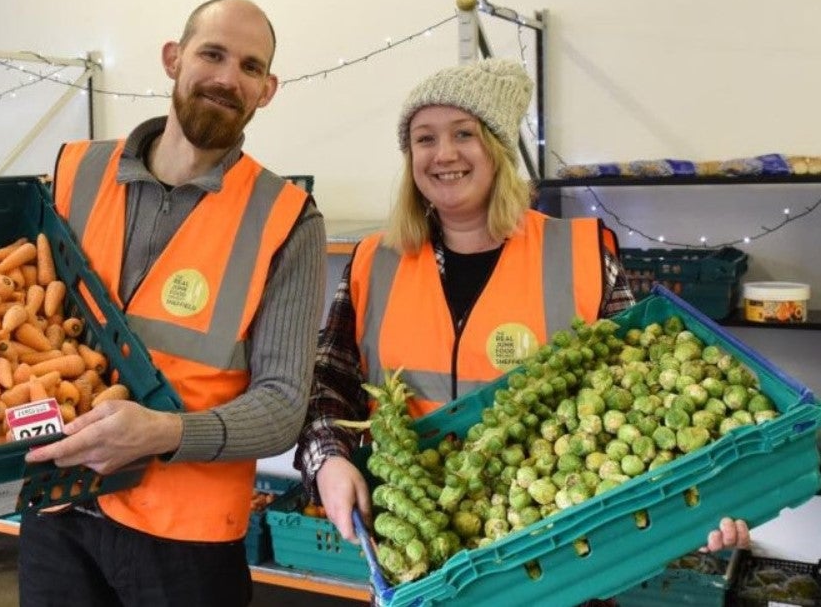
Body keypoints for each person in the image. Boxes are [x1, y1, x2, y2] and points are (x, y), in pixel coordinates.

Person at [0, 0, 327, 607]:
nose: (227, 77)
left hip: (184, 535)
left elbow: (282, 408)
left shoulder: (286, 220)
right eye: (212, 54)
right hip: (55, 504)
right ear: (173, 59)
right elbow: (5, 308)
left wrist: (163, 431)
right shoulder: (75, 170)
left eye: (250, 67)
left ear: (267, 90)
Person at [292, 58, 750, 570]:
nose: (443, 154)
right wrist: (328, 460)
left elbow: (647, 391)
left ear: (496, 149)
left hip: (557, 556)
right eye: (424, 138)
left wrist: (709, 497)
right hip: (419, 558)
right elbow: (326, 387)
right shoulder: (374, 261)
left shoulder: (579, 256)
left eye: (463, 133)